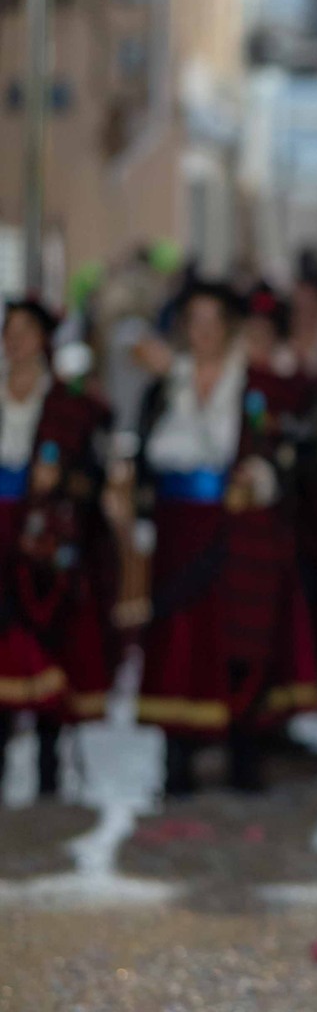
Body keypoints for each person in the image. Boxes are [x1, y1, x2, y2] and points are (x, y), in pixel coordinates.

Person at [135, 281, 317, 794]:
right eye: (195, 321)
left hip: (238, 533)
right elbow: (144, 461)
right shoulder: (164, 388)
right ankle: (177, 754)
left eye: (214, 322)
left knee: (238, 639)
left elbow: (292, 452)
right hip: (178, 532)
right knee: (177, 641)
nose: (204, 333)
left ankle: (244, 750)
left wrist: (261, 478)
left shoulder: (259, 387)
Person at [0, 298, 115, 796]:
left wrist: (62, 480)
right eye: (9, 331)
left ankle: (49, 774)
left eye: (25, 330)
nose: (15, 340)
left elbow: (94, 476)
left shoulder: (70, 405)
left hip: (44, 542)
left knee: (48, 641)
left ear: (44, 340)